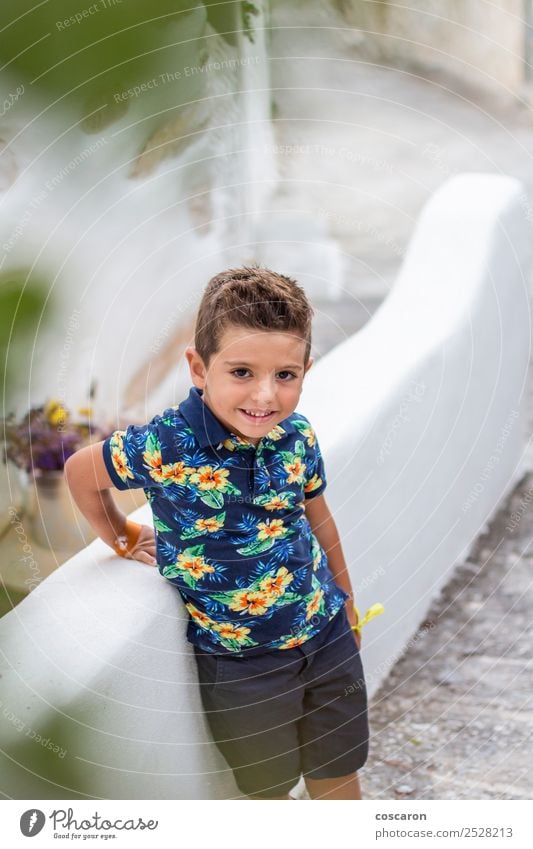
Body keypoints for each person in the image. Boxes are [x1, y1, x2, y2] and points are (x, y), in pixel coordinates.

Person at [65, 265, 369, 800]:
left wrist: (345, 598)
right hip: (244, 667)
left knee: (339, 773)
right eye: (242, 372)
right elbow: (80, 474)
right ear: (199, 368)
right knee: (268, 794)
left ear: (305, 371)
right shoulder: (167, 445)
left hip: (326, 638)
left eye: (285, 375)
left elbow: (319, 516)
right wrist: (121, 537)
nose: (265, 396)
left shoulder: (296, 434)